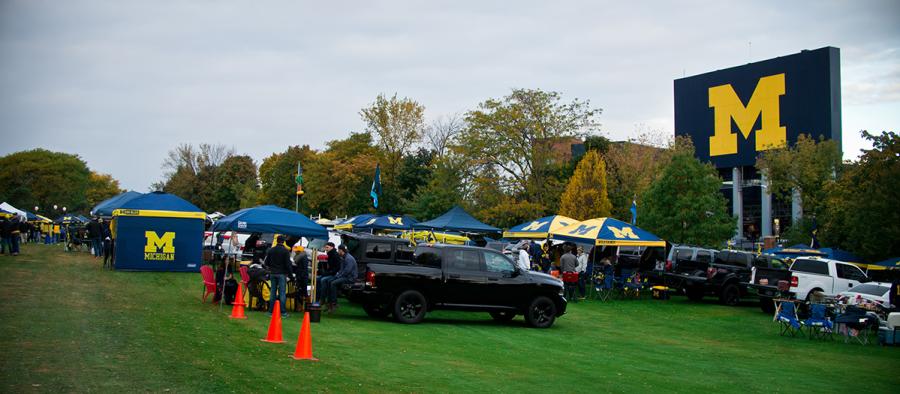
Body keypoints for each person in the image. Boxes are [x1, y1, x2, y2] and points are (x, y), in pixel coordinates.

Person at [263, 235, 292, 317]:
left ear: (277, 240)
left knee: (273, 292)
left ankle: (270, 311)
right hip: (282, 273)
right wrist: (291, 275)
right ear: (284, 241)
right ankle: (283, 312)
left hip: (273, 273)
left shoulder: (271, 250)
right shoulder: (285, 251)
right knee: (282, 293)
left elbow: (266, 263)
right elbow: (288, 264)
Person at [324, 244, 358, 312]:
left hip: (350, 278)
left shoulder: (348, 258)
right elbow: (341, 269)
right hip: (345, 276)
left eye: (338, 250)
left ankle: (334, 303)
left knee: (333, 283)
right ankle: (329, 303)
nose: (338, 251)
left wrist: (338, 276)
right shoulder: (343, 257)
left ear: (341, 250)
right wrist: (337, 275)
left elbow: (347, 271)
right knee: (329, 281)